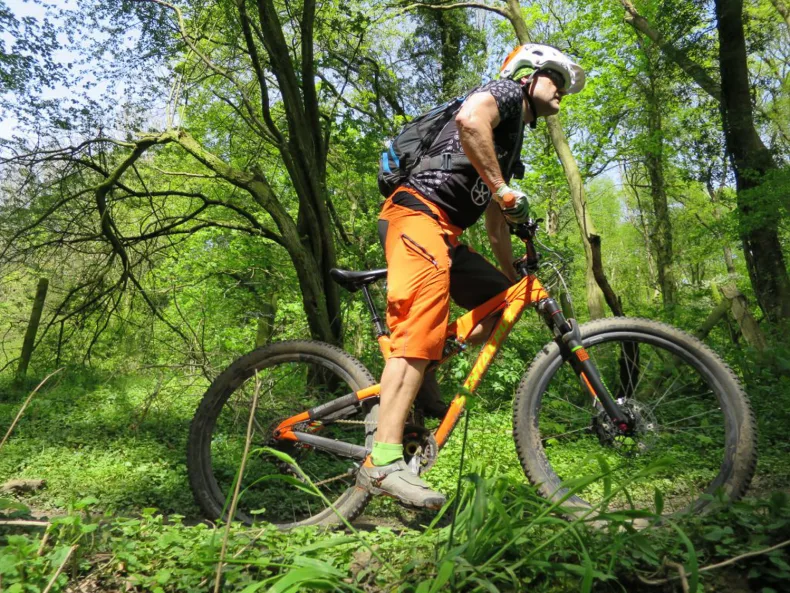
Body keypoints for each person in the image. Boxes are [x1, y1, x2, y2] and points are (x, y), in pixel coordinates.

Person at [357, 44, 586, 508]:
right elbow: (469, 121)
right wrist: (503, 189)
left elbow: (495, 221)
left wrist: (512, 278)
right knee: (418, 328)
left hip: (447, 232)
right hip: (416, 214)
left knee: (502, 302)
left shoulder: (511, 139)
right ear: (529, 77)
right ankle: (380, 462)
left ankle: (422, 372)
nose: (561, 92)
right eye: (556, 80)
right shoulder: (502, 94)